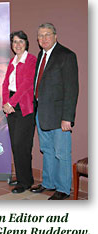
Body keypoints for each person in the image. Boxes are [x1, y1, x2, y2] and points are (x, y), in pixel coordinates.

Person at [30, 23, 79, 200]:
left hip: (59, 116)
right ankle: (49, 183)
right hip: (41, 113)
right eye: (40, 36)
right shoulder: (41, 55)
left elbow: (72, 89)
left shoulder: (66, 56)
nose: (43, 38)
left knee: (62, 153)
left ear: (55, 36)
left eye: (47, 34)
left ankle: (64, 189)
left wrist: (67, 118)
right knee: (47, 150)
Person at [2, 31, 37, 193]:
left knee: (21, 144)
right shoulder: (12, 61)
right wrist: (5, 103)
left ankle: (25, 182)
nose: (17, 44)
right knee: (16, 145)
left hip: (24, 106)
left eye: (20, 41)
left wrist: (11, 103)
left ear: (26, 43)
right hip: (11, 104)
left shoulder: (31, 60)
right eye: (14, 42)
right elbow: (5, 85)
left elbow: (27, 84)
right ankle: (24, 177)